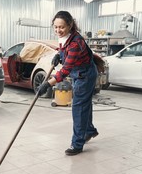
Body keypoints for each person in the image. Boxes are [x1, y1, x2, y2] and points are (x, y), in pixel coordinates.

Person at [37, 10, 98, 156]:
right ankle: (89, 131)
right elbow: (64, 47)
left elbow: (65, 70)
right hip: (80, 73)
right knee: (85, 105)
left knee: (78, 108)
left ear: (70, 25)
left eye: (62, 27)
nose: (58, 30)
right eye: (56, 27)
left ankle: (77, 144)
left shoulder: (76, 42)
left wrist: (48, 84)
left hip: (85, 76)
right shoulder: (66, 37)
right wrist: (59, 54)